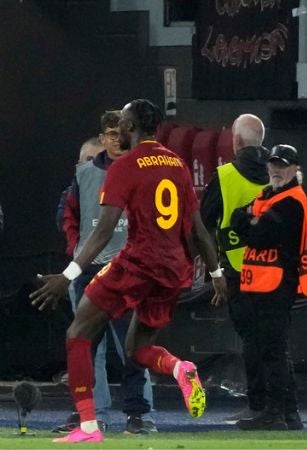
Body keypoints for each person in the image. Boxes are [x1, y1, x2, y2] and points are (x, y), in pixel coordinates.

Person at [30, 99, 227, 443]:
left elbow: (104, 231)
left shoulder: (125, 166)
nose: (117, 128)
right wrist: (216, 274)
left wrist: (68, 276)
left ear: (132, 126)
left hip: (135, 262)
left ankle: (89, 425)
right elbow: (198, 229)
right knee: (137, 349)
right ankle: (180, 367)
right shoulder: (177, 164)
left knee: (78, 332)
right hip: (172, 271)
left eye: (121, 121)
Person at [54, 114, 158, 435]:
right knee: (85, 347)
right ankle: (89, 416)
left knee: (132, 347)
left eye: (121, 133)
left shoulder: (142, 171)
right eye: (111, 134)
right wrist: (78, 252)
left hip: (128, 269)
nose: (116, 139)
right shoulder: (84, 174)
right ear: (103, 137)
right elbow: (68, 215)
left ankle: (139, 415)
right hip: (91, 269)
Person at [229, 144, 307, 430]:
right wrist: (249, 220)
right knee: (270, 348)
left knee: (272, 350)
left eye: (283, 165)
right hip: (260, 284)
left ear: (295, 169)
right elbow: (237, 219)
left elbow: (259, 236)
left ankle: (275, 413)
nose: (276, 169)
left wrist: (249, 221)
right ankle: (288, 412)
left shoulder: (291, 200)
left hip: (277, 284)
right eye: (273, 164)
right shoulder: (269, 195)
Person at [200, 114, 270, 423]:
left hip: (237, 270)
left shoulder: (225, 175)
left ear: (237, 141)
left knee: (252, 340)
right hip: (275, 270)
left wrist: (210, 272)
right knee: (275, 342)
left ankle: (258, 405)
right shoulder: (280, 173)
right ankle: (280, 405)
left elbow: (203, 224)